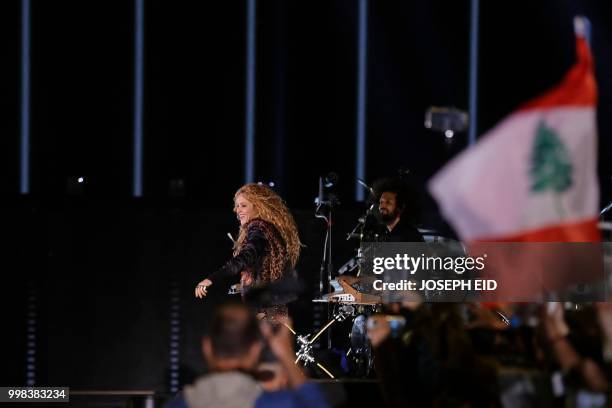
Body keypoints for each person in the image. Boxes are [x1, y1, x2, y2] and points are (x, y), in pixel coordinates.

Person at [164, 303, 329, 408]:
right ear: (255, 350)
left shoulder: (179, 404)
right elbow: (314, 403)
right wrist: (286, 353)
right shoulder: (278, 404)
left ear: (207, 347)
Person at [195, 183, 301, 321]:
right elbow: (265, 270)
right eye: (237, 205)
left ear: (257, 206)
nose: (238, 210)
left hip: (265, 313)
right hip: (272, 311)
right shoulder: (267, 229)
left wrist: (210, 279)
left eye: (243, 205)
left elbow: (245, 257)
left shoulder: (258, 229)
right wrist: (245, 286)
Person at [366, 177, 424, 242]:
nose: (382, 206)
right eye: (381, 202)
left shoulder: (411, 237)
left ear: (400, 208)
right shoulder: (383, 233)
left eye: (388, 202)